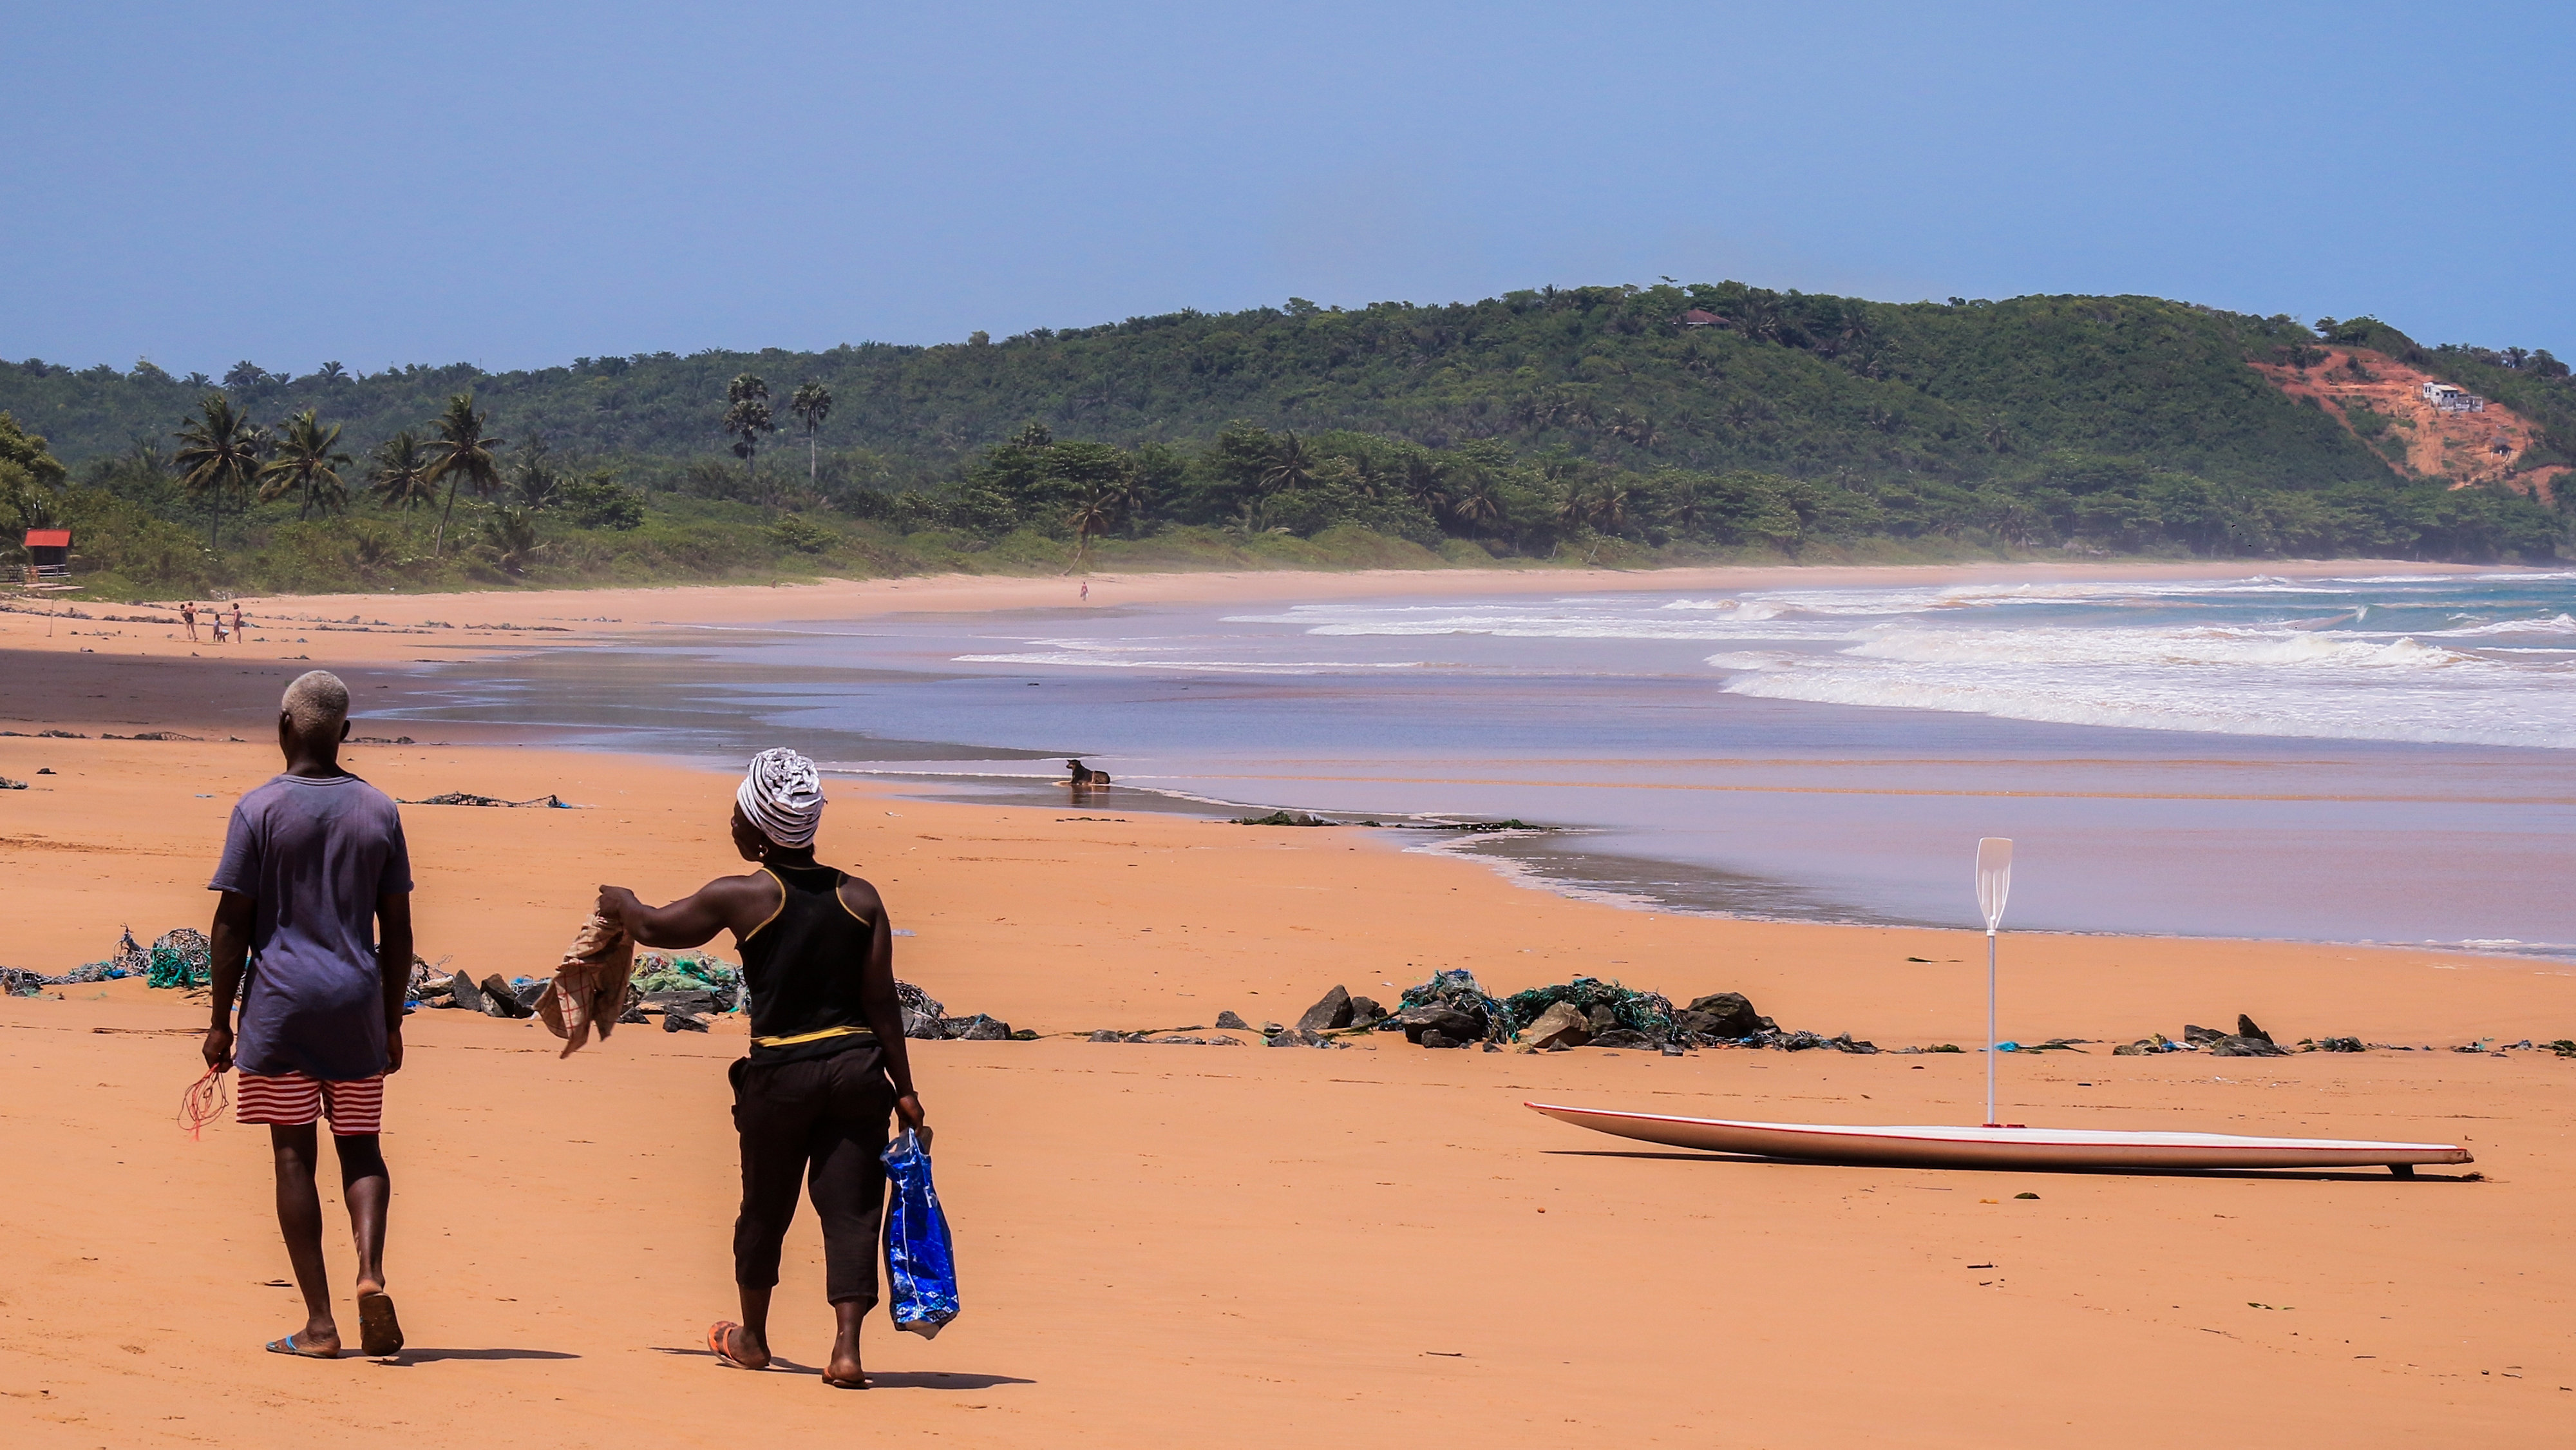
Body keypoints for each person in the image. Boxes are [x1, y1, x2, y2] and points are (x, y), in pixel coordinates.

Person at [598, 748, 923, 1389]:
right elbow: (881, 999)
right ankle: (847, 1349)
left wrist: (621, 899)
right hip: (858, 1073)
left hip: (781, 1076)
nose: (732, 821)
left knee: (764, 1210)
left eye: (737, 812)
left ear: (755, 829)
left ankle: (751, 1339)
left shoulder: (743, 896)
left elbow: (656, 927)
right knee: (851, 1210)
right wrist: (906, 1089)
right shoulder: (860, 898)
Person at [204, 670, 414, 1360]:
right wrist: (392, 1020)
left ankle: (321, 1324)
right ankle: (371, 1271)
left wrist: (219, 1021)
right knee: (361, 1144)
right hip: (355, 1002)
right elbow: (399, 931)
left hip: (282, 1008)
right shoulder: (379, 810)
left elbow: (232, 922)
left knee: (293, 1154)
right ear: (345, 733)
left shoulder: (259, 808)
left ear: (284, 726)